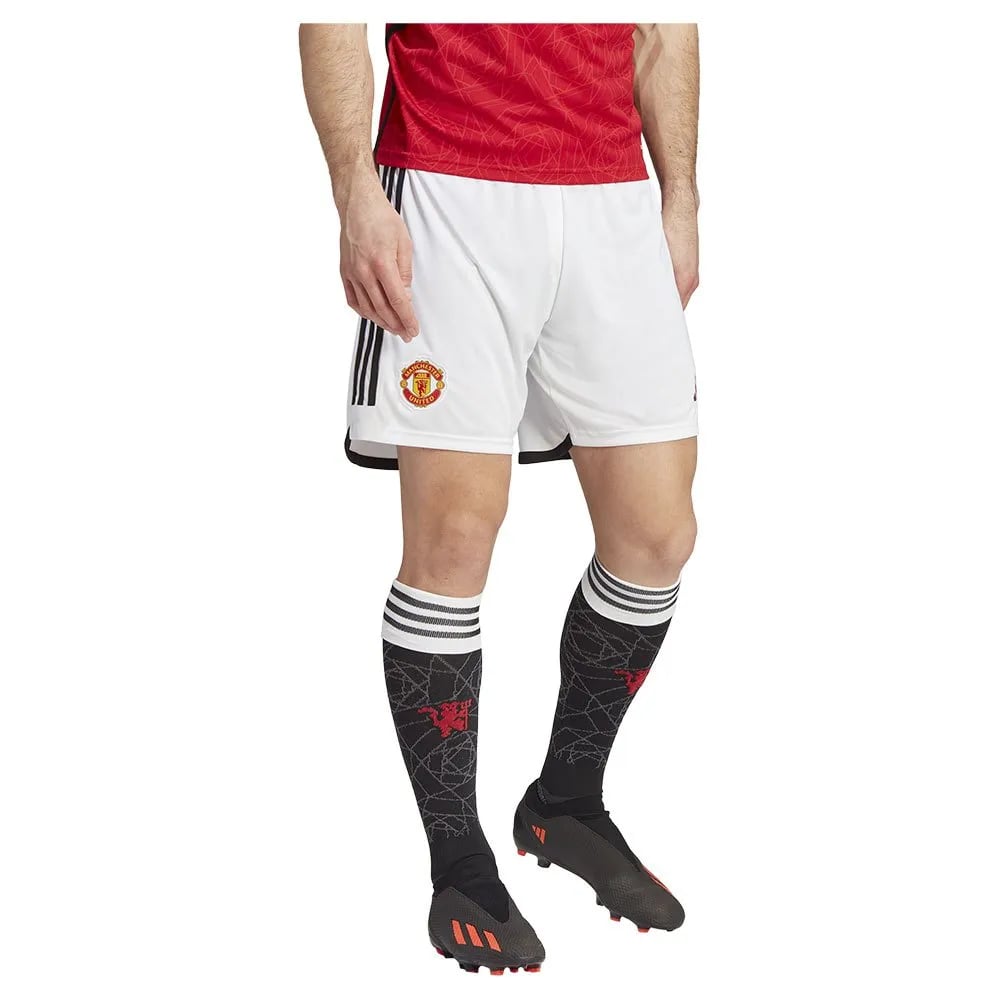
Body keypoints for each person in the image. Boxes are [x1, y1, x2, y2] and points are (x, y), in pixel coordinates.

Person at [300, 22, 699, 975]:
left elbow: (663, 25)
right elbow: (329, 18)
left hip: (612, 195)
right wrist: (355, 189)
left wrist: (681, 192)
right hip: (449, 186)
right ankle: (459, 865)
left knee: (657, 537)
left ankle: (565, 802)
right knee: (454, 538)